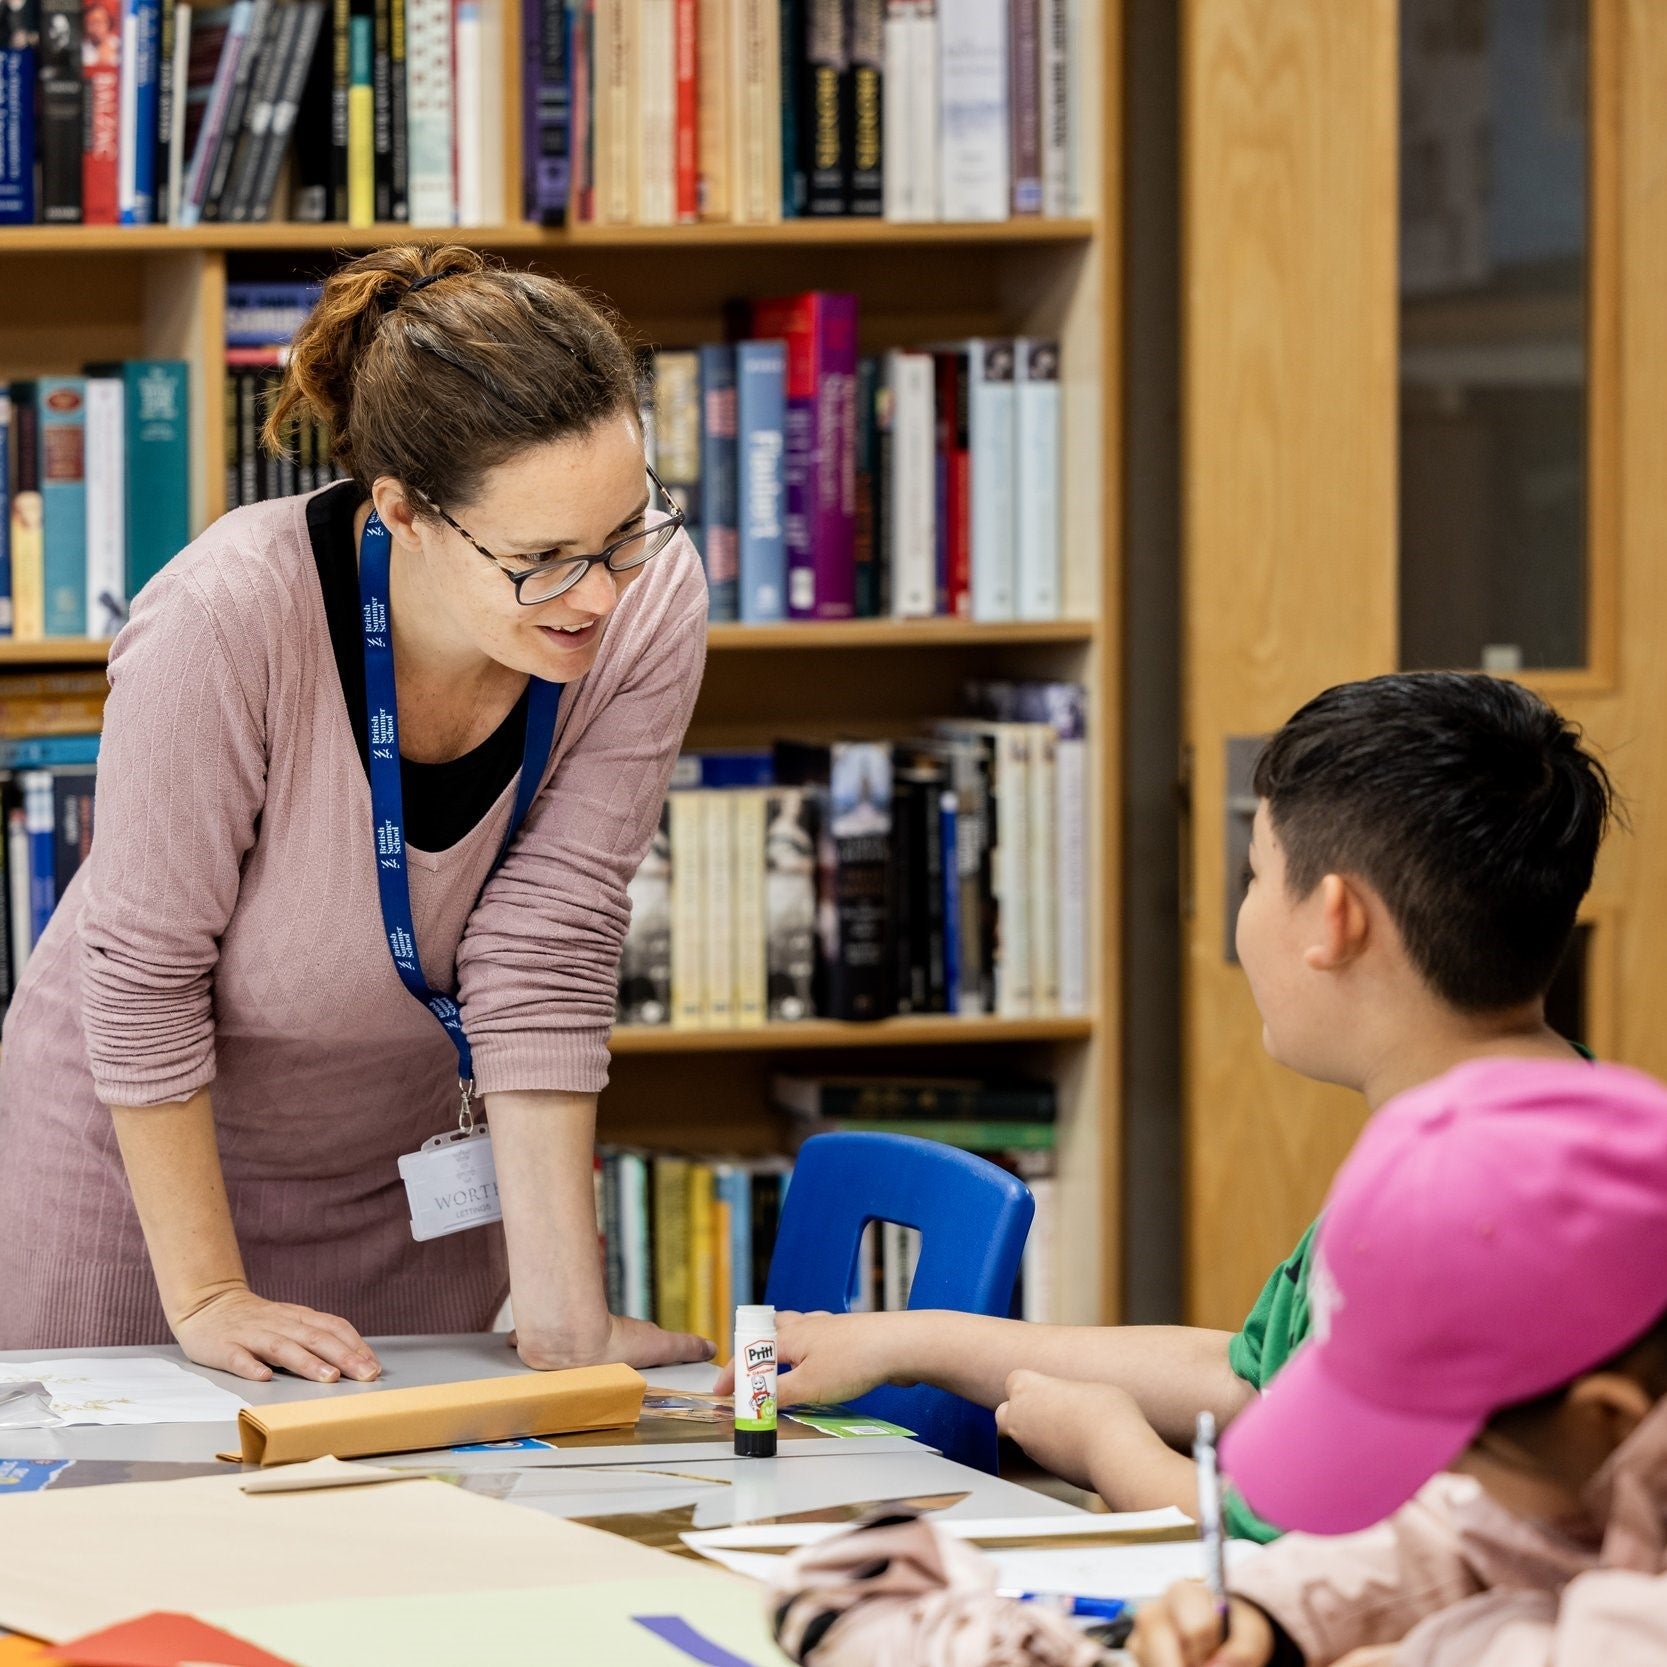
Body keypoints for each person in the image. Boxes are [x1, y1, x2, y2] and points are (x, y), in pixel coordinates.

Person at [0, 246, 714, 1386]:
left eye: (623, 531)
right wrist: (209, 1293)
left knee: (398, 1514)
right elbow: (142, 970)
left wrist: (570, 1327)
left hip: (396, 1160)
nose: (597, 595)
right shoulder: (224, 618)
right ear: (403, 513)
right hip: (139, 1159)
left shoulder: (648, 597)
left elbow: (551, 937)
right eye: (539, 560)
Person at [721, 674, 1613, 1537]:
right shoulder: (1534, 1129)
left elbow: (1320, 1542)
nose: (1241, 910)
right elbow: (1256, 1381)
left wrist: (1114, 1453)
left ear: (1333, 919)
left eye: (1253, 875)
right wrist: (912, 1339)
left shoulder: (1466, 1206)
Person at [1129, 1057, 1667, 1667]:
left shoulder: (1587, 1440)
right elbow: (1465, 1530)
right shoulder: (1593, 1444)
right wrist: (1270, 1615)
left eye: (1450, 1459)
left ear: (1608, 1416)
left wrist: (1433, 1653)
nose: (1441, 1484)